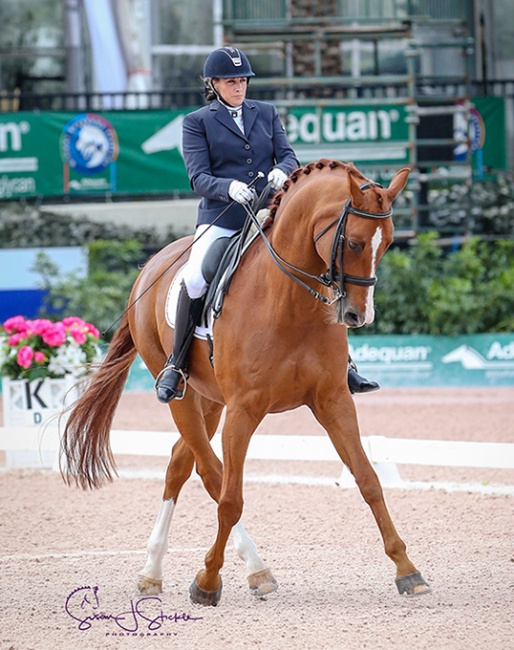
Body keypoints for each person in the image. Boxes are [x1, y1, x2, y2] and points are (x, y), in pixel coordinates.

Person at [155, 46, 378, 403]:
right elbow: (198, 177)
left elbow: (288, 154)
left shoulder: (267, 113)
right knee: (196, 275)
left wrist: (281, 170)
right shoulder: (197, 122)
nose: (239, 87)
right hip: (223, 217)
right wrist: (228, 187)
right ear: (214, 84)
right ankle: (177, 364)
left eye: (243, 81)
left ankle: (344, 364)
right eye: (232, 82)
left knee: (320, 266)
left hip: (269, 215)